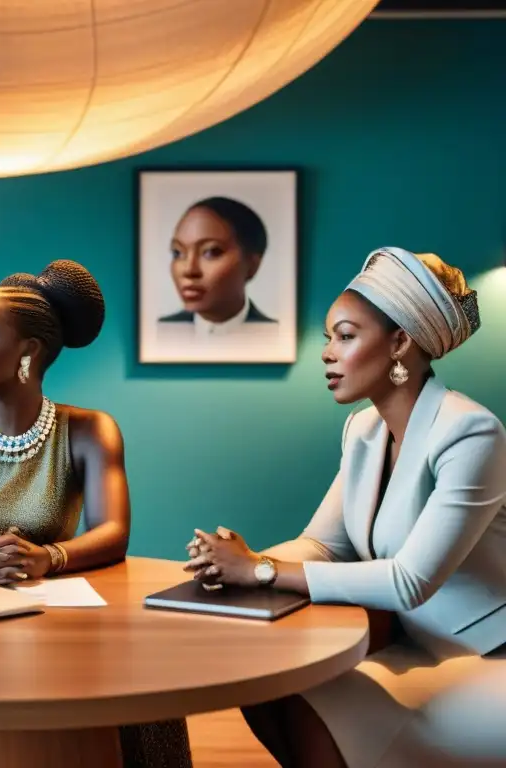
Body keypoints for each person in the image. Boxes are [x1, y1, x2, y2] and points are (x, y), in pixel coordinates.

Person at [184, 247, 506, 767]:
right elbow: (322, 545)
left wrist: (262, 571)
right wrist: (235, 563)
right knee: (265, 684)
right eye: (330, 336)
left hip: (487, 660)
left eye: (346, 336)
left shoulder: (471, 433)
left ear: (400, 342)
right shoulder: (363, 430)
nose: (327, 352)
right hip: (418, 644)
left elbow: (409, 582)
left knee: (312, 699)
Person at [0, 259, 192, 768]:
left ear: (27, 352)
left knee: (141, 677)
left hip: (65, 620)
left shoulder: (89, 429)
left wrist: (48, 558)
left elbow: (113, 532)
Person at [158, 196, 276, 333]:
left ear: (252, 265)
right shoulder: (159, 332)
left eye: (211, 252)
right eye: (177, 253)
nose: (189, 270)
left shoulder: (277, 336)